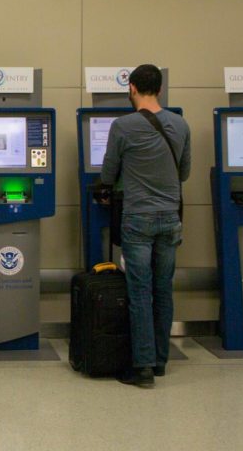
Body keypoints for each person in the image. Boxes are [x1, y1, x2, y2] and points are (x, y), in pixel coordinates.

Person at [100, 64, 191, 388]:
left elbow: (108, 173)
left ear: (132, 88)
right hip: (170, 218)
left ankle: (143, 367)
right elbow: (184, 173)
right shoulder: (180, 124)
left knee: (139, 292)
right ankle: (162, 360)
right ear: (160, 90)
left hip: (138, 217)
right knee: (163, 289)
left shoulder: (122, 126)